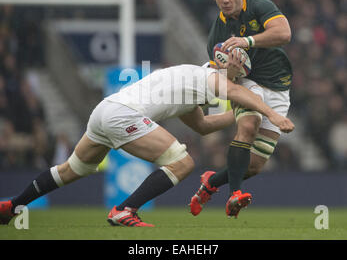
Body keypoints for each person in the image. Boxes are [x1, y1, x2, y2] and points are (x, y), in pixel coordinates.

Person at [0, 61, 294, 227]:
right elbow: (234, 92)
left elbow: (204, 126)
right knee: (183, 162)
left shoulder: (189, 86)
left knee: (71, 169)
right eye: (236, 74)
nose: (235, 83)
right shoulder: (210, 76)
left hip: (104, 110)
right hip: (122, 115)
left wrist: (236, 114)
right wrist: (271, 115)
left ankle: (12, 205)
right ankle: (124, 209)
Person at [190, 0, 293, 218]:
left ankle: (211, 182)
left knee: (254, 165)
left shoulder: (260, 6)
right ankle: (234, 195)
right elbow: (224, 81)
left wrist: (247, 41)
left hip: (279, 87)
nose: (226, 0)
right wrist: (233, 73)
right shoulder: (217, 36)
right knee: (248, 125)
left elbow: (284, 34)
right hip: (249, 82)